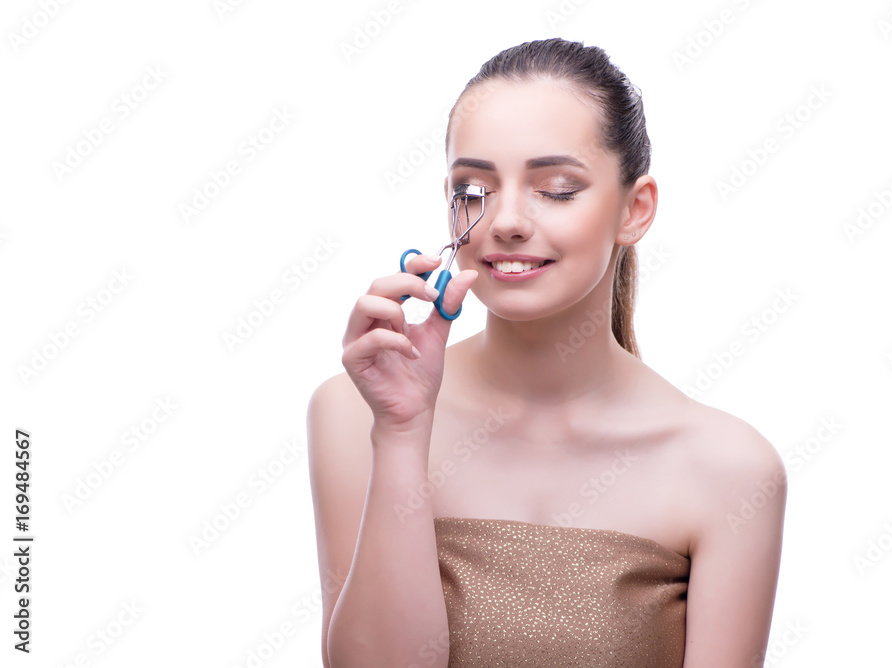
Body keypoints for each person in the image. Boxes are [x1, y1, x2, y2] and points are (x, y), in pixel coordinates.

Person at [308, 37, 787, 668]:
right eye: (474, 189)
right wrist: (401, 432)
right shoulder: (354, 413)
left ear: (635, 209)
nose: (505, 221)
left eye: (557, 189)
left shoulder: (728, 469)